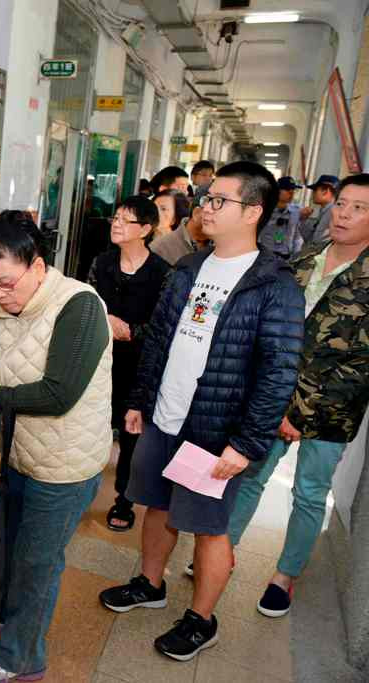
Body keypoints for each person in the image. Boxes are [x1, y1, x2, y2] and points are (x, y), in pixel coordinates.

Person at [98, 161, 304, 662]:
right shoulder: (190, 268)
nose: (205, 208)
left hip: (215, 430)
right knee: (156, 504)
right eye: (206, 198)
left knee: (210, 528)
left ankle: (201, 619)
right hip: (165, 417)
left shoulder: (275, 286)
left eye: (219, 200)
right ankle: (150, 583)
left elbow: (278, 372)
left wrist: (246, 444)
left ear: (253, 211)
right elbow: (160, 340)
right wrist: (140, 403)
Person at [0, 210, 112, 683]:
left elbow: (57, 394)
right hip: (19, 454)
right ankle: (4, 613)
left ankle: (20, 657)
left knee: (38, 563)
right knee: (9, 549)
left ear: (37, 265)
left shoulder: (80, 307)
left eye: (7, 283)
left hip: (66, 465)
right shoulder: (0, 307)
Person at [227, 173, 369, 618]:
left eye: (359, 208)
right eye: (342, 204)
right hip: (275, 397)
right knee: (250, 476)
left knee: (309, 493)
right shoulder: (306, 257)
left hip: (331, 412)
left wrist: (299, 411)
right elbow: (273, 332)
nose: (344, 214)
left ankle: (284, 576)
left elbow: (360, 366)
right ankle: (221, 553)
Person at [88, 196, 171, 532]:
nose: (116, 224)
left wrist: (130, 331)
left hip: (138, 366)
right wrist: (106, 318)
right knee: (93, 426)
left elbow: (165, 325)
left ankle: (124, 498)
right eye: (115, 218)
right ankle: (82, 488)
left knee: (130, 435)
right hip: (99, 360)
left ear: (146, 229)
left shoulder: (163, 273)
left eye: (126, 220)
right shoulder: (102, 262)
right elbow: (87, 303)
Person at [150, 186, 211, 266]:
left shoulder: (222, 246)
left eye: (163, 209)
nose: (155, 213)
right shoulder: (159, 248)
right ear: (196, 213)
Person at [258, 176, 304, 260]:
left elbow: (297, 235)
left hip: (286, 257)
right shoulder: (264, 211)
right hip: (265, 256)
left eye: (293, 190)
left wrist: (296, 256)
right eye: (287, 189)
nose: (291, 192)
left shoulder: (296, 212)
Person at [299, 174, 339, 246]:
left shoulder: (332, 212)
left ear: (325, 191)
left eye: (315, 190)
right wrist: (303, 219)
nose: (313, 194)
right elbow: (309, 238)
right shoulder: (325, 210)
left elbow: (316, 242)